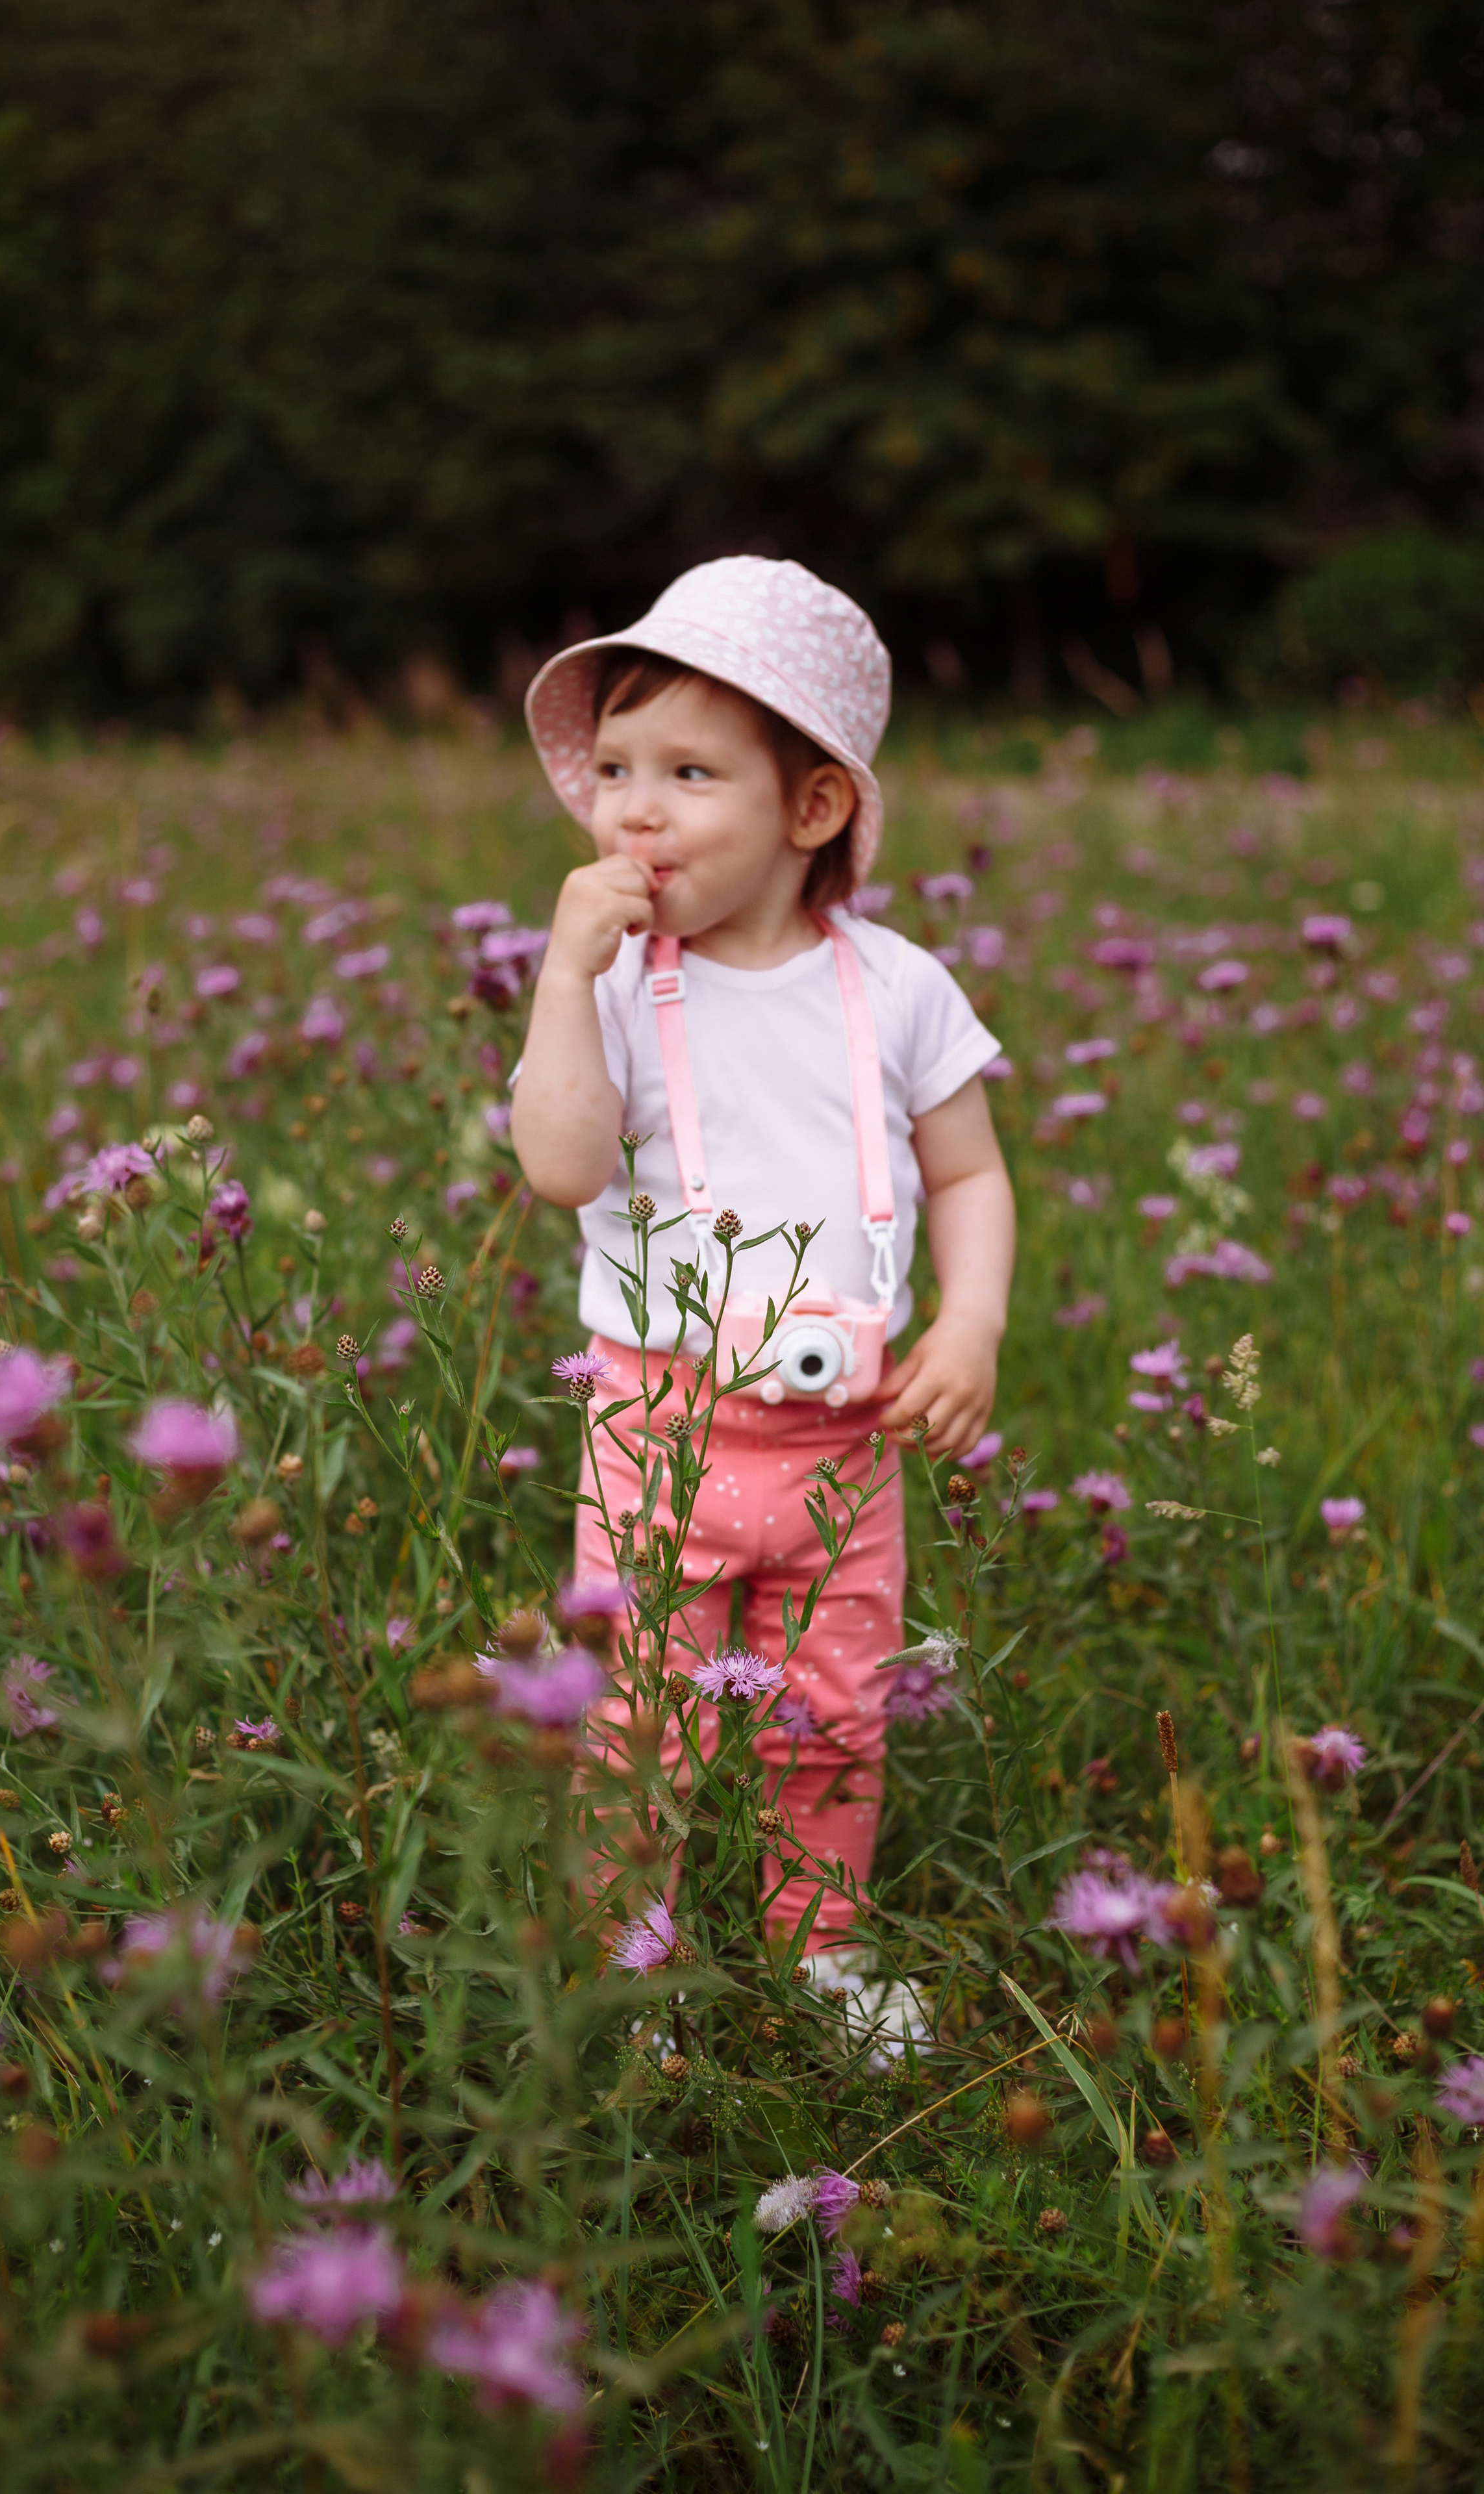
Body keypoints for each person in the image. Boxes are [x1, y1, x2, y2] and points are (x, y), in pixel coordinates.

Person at [511, 556, 1014, 2006]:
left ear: (811, 809)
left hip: (848, 1441)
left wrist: (967, 1317)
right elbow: (557, 1164)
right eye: (611, 768)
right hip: (656, 1432)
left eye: (687, 771)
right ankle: (628, 1963)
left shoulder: (896, 987)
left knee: (832, 1710)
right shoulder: (608, 983)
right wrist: (558, 978)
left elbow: (971, 1174)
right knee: (638, 1718)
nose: (633, 808)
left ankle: (823, 1951)